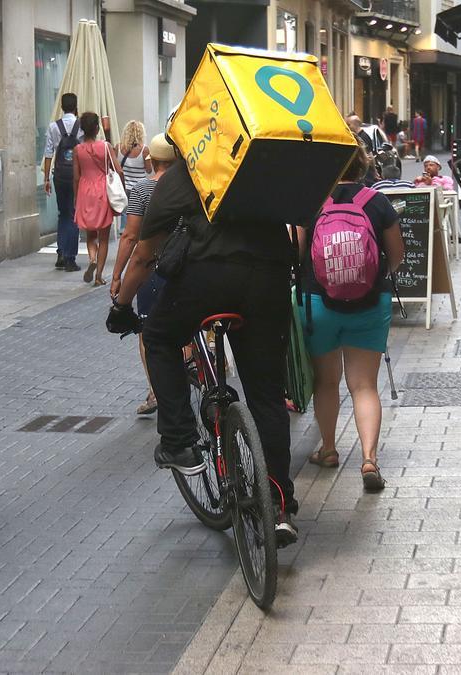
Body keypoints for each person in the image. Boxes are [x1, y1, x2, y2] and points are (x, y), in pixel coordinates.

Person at [106, 153, 301, 546]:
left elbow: (144, 254)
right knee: (266, 394)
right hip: (268, 278)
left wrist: (122, 305)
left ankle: (179, 441)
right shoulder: (259, 162)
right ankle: (278, 504)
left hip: (206, 278)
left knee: (159, 338)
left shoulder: (186, 171)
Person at [296, 145, 404, 492]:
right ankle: (369, 459)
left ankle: (328, 449)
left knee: (326, 383)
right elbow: (398, 254)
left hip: (319, 303)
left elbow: (299, 254)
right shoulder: (377, 202)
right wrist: (373, 277)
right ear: (362, 167)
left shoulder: (311, 201)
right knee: (364, 386)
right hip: (370, 304)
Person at [111, 134, 176, 416]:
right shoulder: (187, 188)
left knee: (146, 331)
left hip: (150, 269)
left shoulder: (141, 190)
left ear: (151, 160)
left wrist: (117, 275)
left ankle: (155, 391)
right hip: (184, 264)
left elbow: (129, 236)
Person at [73, 112, 121, 286]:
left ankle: (92, 258)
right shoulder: (106, 147)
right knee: (104, 237)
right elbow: (119, 170)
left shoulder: (77, 150)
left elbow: (76, 177)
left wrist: (76, 198)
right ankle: (99, 275)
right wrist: (120, 188)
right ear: (97, 128)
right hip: (103, 192)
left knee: (90, 234)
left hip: (85, 192)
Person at [44, 93, 85, 272]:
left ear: (61, 107)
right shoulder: (81, 126)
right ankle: (70, 257)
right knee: (74, 214)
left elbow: (48, 154)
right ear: (76, 106)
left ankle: (60, 252)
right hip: (77, 176)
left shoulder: (53, 127)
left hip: (59, 176)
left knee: (63, 213)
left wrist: (46, 178)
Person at [117, 120, 151, 234]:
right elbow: (149, 169)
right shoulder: (144, 150)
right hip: (140, 188)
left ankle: (124, 235)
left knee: (124, 216)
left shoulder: (118, 147)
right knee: (138, 217)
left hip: (123, 187)